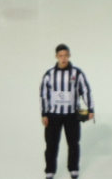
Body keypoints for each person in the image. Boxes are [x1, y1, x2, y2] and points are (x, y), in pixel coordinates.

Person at [40, 44, 94, 179]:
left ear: (69, 55)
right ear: (56, 57)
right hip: (53, 115)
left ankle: (73, 168)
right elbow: (44, 94)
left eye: (65, 55)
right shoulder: (49, 74)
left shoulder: (77, 73)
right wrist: (44, 114)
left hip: (71, 114)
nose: (63, 58)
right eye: (60, 56)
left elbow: (85, 90)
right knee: (51, 144)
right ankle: (50, 170)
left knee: (73, 143)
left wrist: (90, 109)